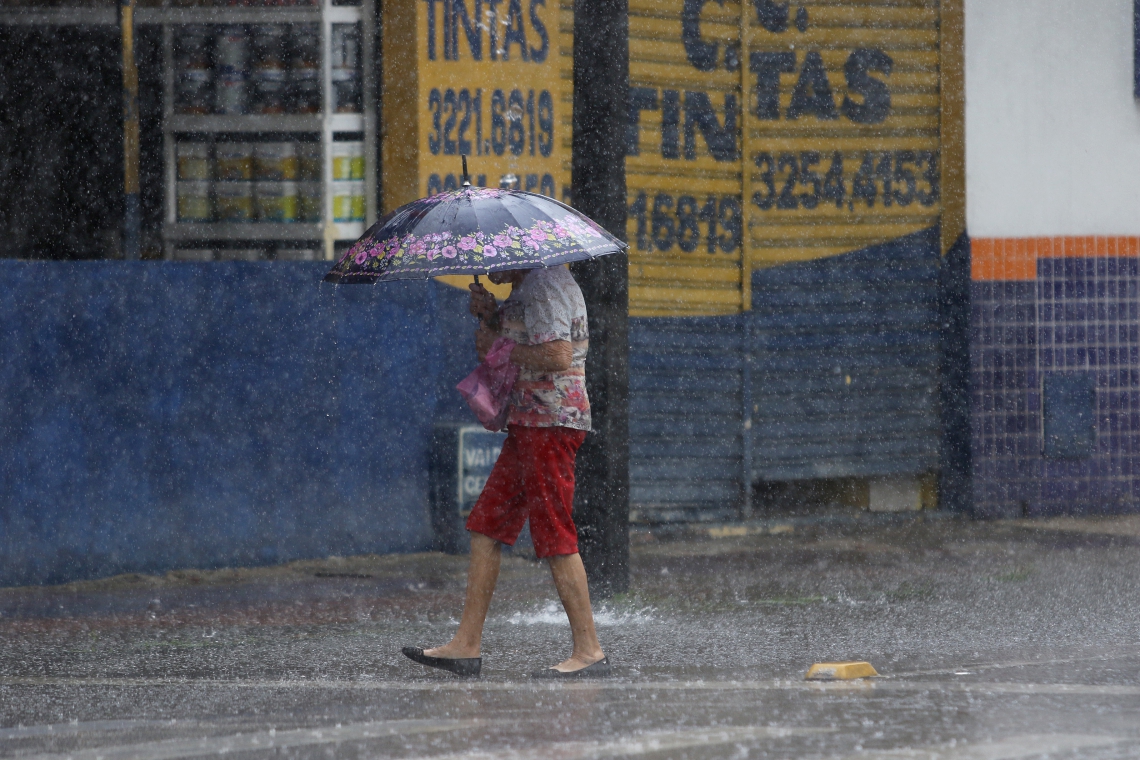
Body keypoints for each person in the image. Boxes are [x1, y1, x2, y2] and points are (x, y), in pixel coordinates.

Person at [402, 265, 609, 679]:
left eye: (495, 257)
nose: (489, 265)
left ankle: (589, 650)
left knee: (554, 532)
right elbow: (525, 334)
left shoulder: (545, 283)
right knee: (487, 525)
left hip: (551, 422)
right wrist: (491, 315)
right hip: (529, 423)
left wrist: (500, 348)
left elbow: (558, 354)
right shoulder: (528, 284)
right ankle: (466, 645)